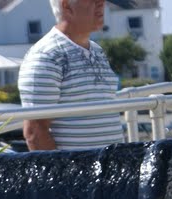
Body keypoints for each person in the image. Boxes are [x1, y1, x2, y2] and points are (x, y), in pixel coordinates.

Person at [18, 0, 123, 152]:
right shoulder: (46, 55)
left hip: (111, 168)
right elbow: (34, 132)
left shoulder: (97, 51)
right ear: (66, 6)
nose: (101, 3)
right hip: (79, 173)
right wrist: (64, 174)